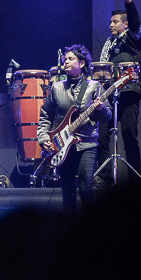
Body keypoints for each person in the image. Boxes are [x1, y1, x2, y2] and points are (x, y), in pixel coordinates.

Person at [37, 45, 108, 213]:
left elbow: (107, 117)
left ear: (82, 63)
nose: (66, 62)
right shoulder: (57, 88)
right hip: (62, 145)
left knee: (85, 188)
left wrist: (101, 109)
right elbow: (46, 116)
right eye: (65, 59)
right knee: (68, 191)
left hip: (87, 144)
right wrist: (44, 138)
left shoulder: (94, 86)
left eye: (70, 59)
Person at [95, 0, 141, 183]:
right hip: (109, 94)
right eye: (110, 22)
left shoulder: (133, 38)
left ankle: (134, 181)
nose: (111, 25)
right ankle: (105, 178)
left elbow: (135, 20)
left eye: (115, 22)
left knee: (128, 134)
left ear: (125, 25)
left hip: (128, 91)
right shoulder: (109, 44)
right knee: (102, 136)